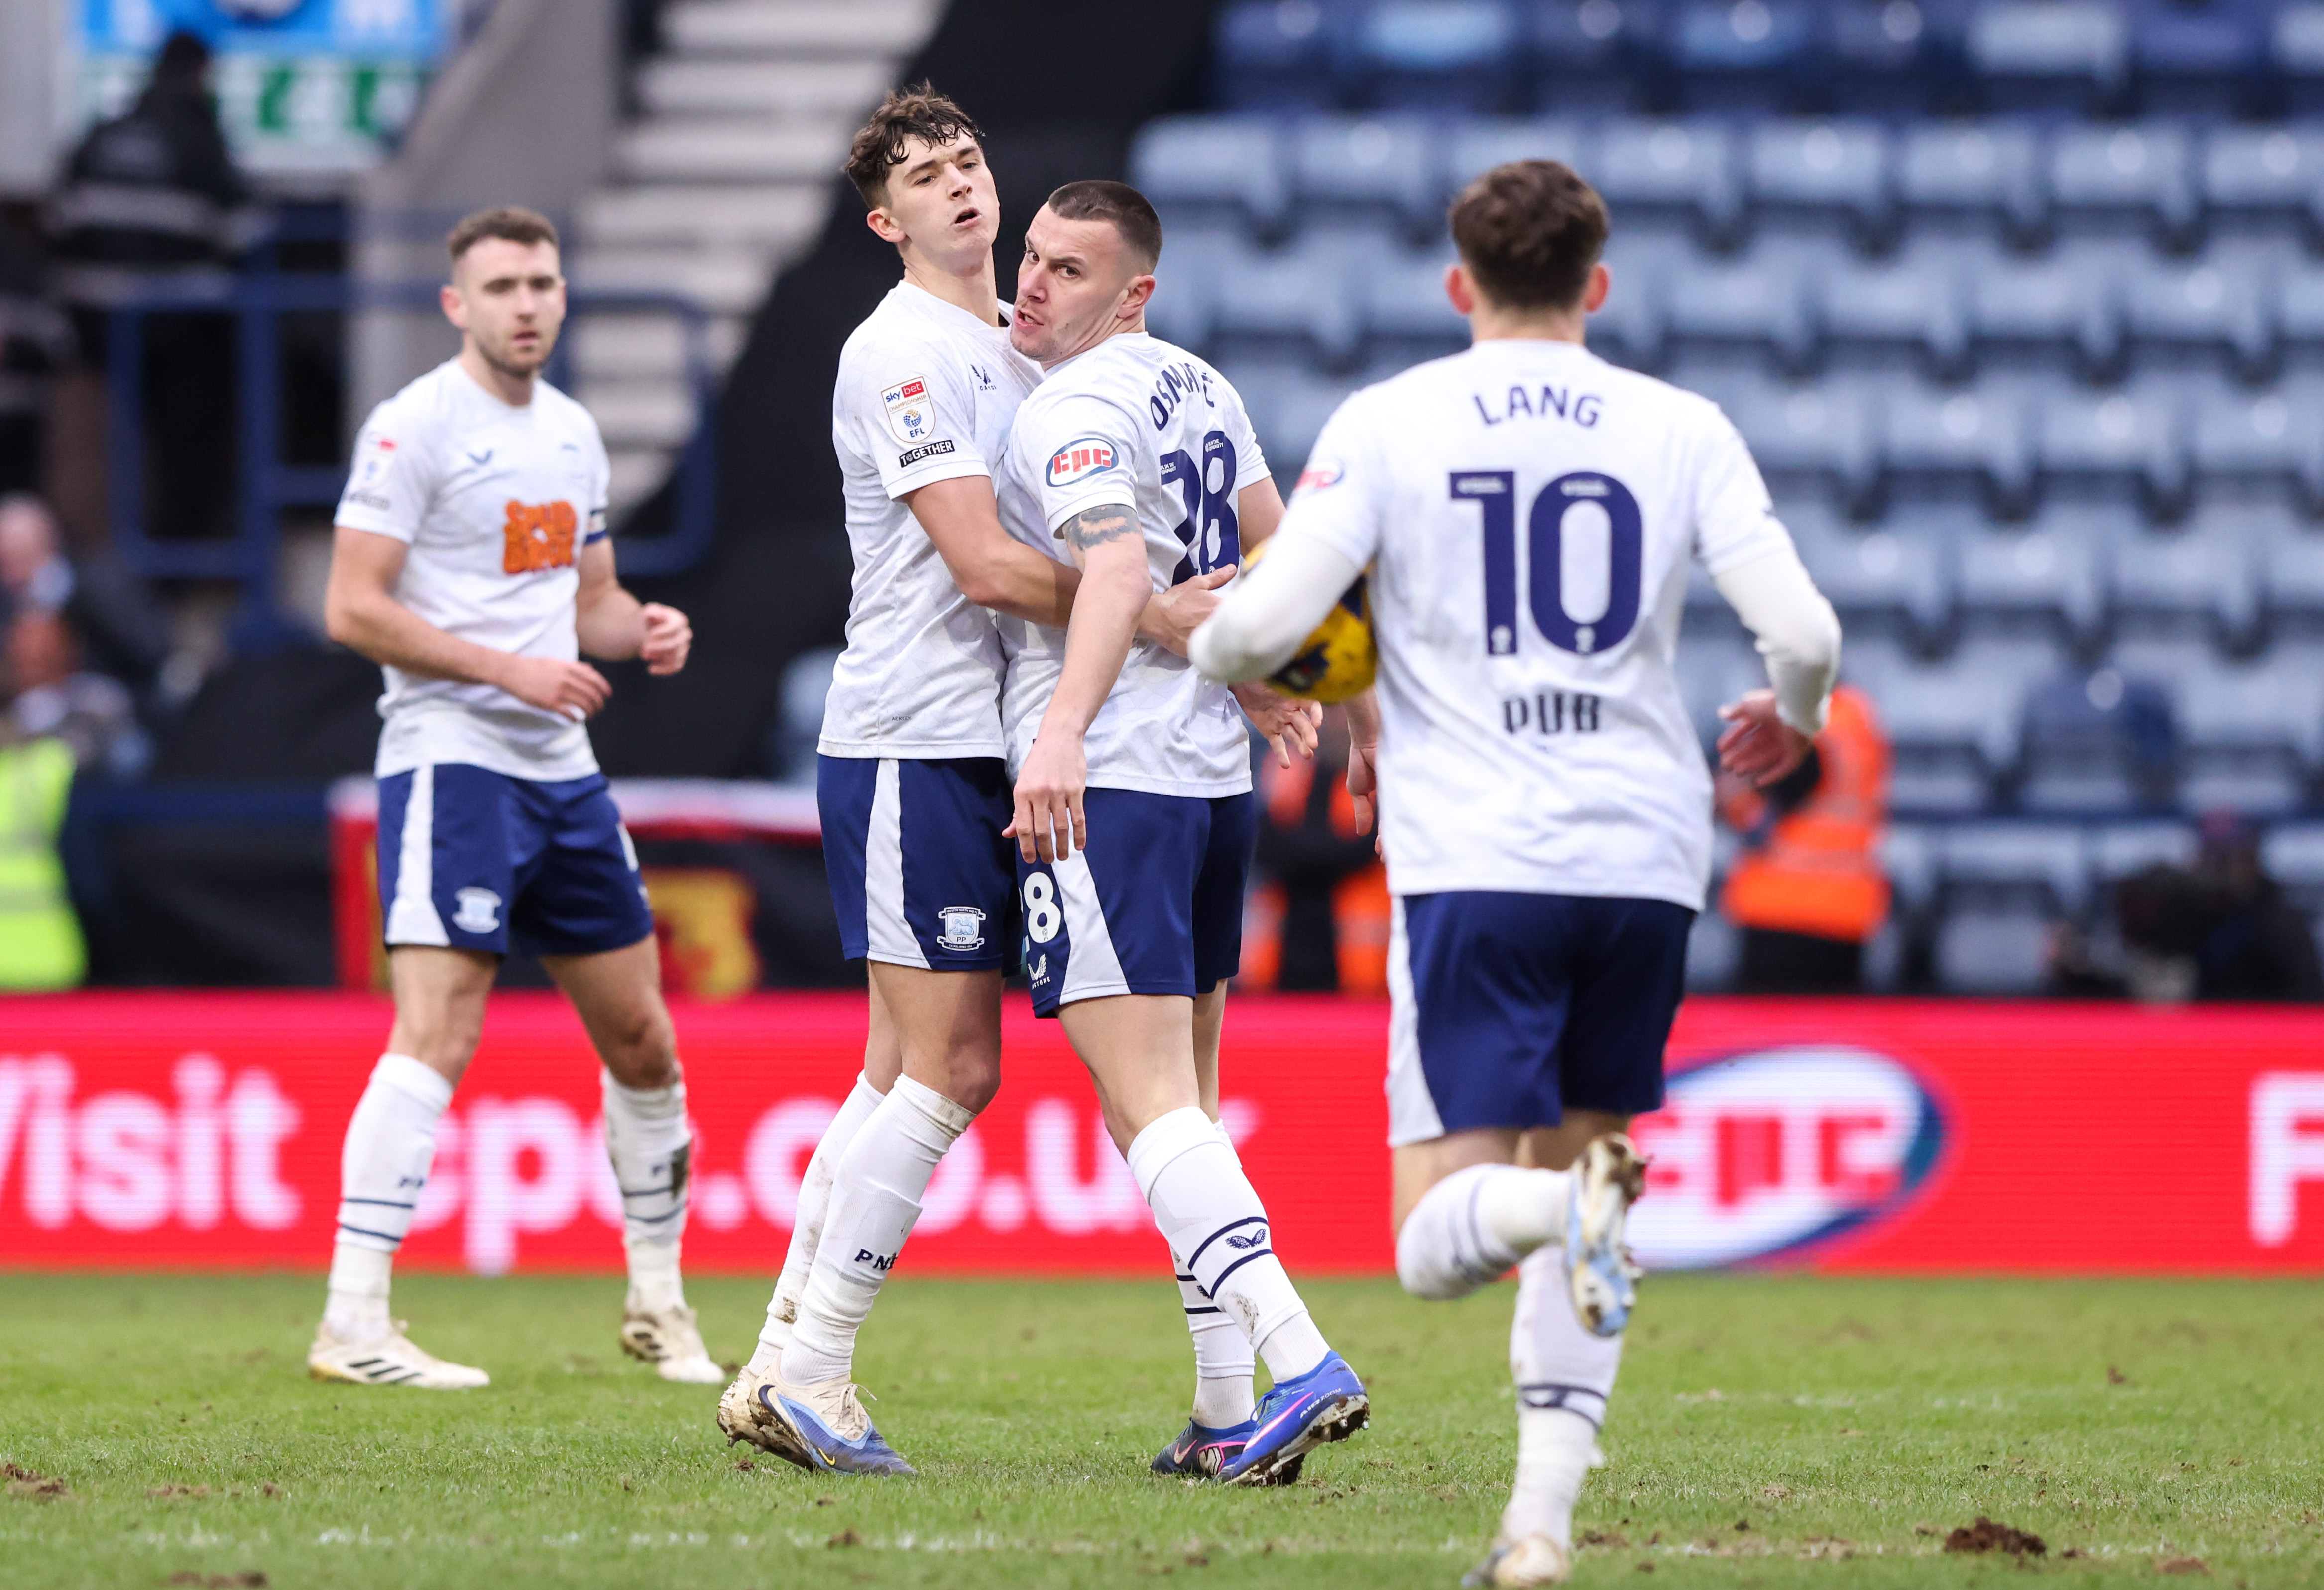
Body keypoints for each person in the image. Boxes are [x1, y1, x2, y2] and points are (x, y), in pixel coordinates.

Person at [1190, 159, 1843, 1583]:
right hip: (1647, 854)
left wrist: (1239, 656)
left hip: (1480, 849)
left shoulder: (1391, 420)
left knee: (1436, 1232)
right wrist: (1787, 724)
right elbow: (1801, 634)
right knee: (1583, 1166)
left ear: (1457, 286)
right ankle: (1537, 1527)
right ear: (1596, 285)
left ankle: (1570, 1211)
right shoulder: (1680, 425)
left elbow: (1263, 631)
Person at [717, 90, 1233, 1476]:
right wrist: (1161, 613)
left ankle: (782, 1360)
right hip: (911, 738)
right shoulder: (899, 353)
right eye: (925, 179)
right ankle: (810, 1369)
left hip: (976, 740)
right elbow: (989, 569)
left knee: (897, 1069)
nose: (959, 189)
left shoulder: (1016, 349)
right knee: (950, 1065)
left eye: (968, 163)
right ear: (885, 222)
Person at [999, 180, 1367, 1488]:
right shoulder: (1201, 386)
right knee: (1182, 1109)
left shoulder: (1074, 407)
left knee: (1147, 1103)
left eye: (1069, 269)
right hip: (1214, 786)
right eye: (1031, 259)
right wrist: (1354, 695)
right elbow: (1292, 549)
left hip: (1119, 782)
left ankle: (1298, 1356)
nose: (1034, 285)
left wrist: (1058, 732)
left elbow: (1110, 572)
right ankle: (1223, 1411)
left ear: (1132, 294)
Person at [310, 205, 712, 1391]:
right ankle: (355, 1321)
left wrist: (637, 628)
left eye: (541, 282)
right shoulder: (414, 428)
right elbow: (351, 606)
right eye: (500, 288)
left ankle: (657, 1304)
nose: (525, 303)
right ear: (457, 306)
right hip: (452, 754)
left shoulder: (573, 434)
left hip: (559, 768)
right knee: (436, 1029)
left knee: (642, 1038)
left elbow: (584, 598)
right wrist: (509, 670)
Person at [48, 30, 256, 546]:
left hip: (93, 333)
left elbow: (58, 227)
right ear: (200, 76)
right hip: (176, 335)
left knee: (105, 453)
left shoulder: (99, 137)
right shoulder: (199, 140)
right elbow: (247, 233)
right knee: (189, 440)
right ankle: (180, 553)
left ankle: (106, 558)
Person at [1715, 680, 1889, 993]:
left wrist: (1730, 794)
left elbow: (1762, 817)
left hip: (1778, 908)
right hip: (1846, 911)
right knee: (1830, 1037)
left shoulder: (1791, 718)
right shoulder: (1858, 719)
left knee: (1773, 1039)